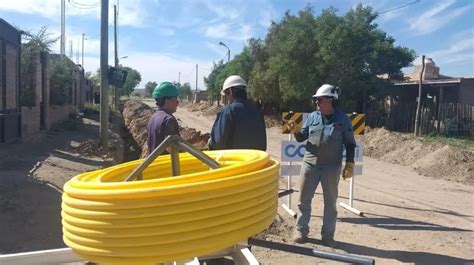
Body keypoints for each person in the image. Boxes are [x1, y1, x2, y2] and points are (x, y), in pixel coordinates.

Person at [290, 84, 356, 247]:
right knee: (303, 200)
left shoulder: (343, 119)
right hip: (310, 164)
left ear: (330, 100)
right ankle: (300, 230)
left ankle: (328, 236)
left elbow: (350, 143)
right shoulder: (312, 117)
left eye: (319, 100)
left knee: (330, 203)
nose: (317, 103)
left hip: (331, 167)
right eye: (315, 100)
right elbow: (301, 138)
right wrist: (296, 131)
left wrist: (350, 163)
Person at [209, 75, 266, 151]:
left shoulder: (229, 111)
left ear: (230, 91)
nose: (227, 98)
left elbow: (218, 143)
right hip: (256, 160)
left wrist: (210, 143)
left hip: (236, 161)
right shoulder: (257, 110)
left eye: (226, 94)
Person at [147, 81, 180, 153]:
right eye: (176, 101)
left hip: (155, 162)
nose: (177, 103)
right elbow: (173, 148)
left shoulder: (153, 117)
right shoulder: (168, 120)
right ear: (167, 102)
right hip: (167, 163)